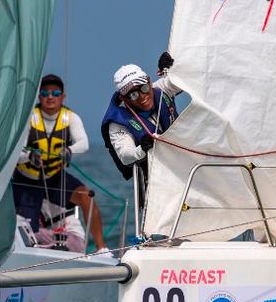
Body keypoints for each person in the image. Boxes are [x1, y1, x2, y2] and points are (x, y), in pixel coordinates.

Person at [12, 74, 107, 253]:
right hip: (26, 180)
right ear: (39, 96)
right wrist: (29, 156)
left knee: (87, 196)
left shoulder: (71, 118)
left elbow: (83, 144)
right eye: (45, 93)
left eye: (55, 93)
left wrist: (69, 150)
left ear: (63, 97)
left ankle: (102, 248)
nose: (50, 97)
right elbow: (17, 151)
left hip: (54, 177)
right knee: (29, 230)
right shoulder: (29, 118)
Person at [101, 52, 181, 181]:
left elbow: (187, 78)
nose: (142, 97)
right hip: (155, 180)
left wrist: (173, 66)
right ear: (123, 98)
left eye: (143, 88)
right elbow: (125, 156)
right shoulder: (117, 122)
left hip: (186, 164)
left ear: (149, 82)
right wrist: (143, 148)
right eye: (133, 95)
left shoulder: (162, 88)